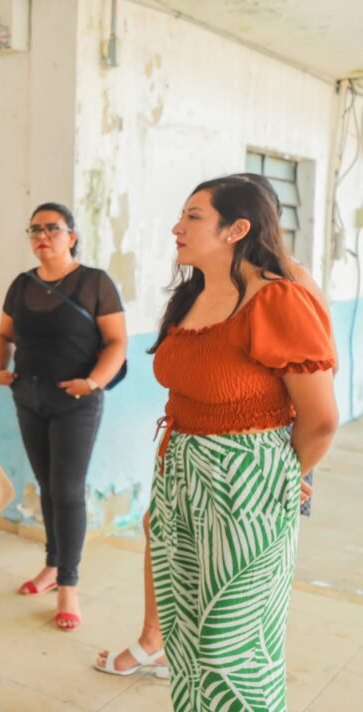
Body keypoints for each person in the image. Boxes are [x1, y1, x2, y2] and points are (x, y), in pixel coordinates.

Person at [94, 172, 335, 678]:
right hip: (182, 471)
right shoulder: (193, 295)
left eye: (193, 216)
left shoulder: (280, 296)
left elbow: (320, 418)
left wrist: (285, 473)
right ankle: (159, 650)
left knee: (230, 649)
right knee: (187, 639)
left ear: (237, 229)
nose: (176, 227)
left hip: (246, 483)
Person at [0, 202, 127, 631]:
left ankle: (69, 585)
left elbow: (117, 342)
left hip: (76, 402)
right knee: (48, 486)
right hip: (28, 398)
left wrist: (94, 382)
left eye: (52, 228)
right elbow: (4, 333)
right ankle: (52, 565)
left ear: (72, 236)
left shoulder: (95, 282)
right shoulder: (22, 284)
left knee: (67, 490)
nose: (42, 236)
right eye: (35, 229)